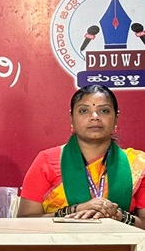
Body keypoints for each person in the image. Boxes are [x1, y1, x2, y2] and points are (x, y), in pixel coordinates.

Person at [17, 85, 145, 226]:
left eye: (104, 111)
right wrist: (75, 210)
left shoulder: (137, 164)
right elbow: (25, 221)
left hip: (123, 240)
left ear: (116, 119)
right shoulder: (46, 161)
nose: (95, 117)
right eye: (84, 111)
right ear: (72, 119)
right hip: (59, 240)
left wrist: (119, 216)